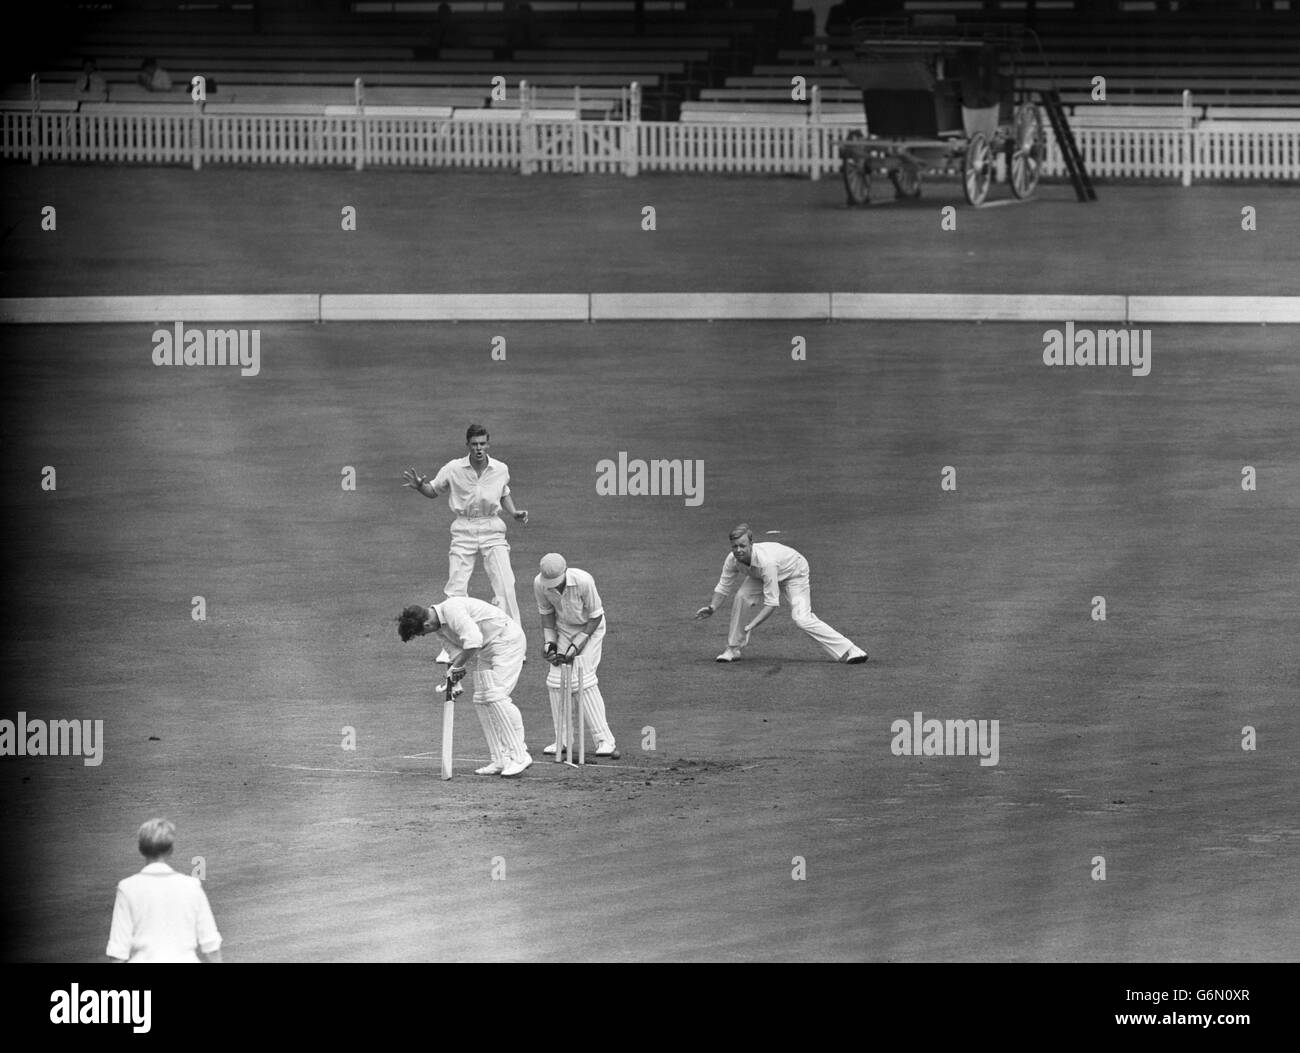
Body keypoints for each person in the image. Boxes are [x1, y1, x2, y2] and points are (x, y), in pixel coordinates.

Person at [403, 424, 529, 663]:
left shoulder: (500, 468)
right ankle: (450, 645)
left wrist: (513, 513)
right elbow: (434, 490)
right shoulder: (453, 468)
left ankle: (515, 644)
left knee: (506, 585)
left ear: (488, 444)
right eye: (474, 444)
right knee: (456, 587)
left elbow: (504, 492)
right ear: (468, 445)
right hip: (464, 528)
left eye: (482, 444)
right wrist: (420, 486)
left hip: (492, 527)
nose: (479, 448)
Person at [695, 524, 869, 664]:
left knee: (802, 619)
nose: (738, 550)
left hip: (794, 573)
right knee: (741, 596)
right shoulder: (732, 560)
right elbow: (723, 586)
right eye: (735, 546)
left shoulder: (766, 562)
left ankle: (851, 650)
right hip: (761, 575)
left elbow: (771, 604)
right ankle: (732, 649)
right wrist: (712, 607)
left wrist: (750, 626)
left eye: (743, 546)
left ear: (751, 544)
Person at [398, 596, 532, 777]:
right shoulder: (439, 629)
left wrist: (457, 667)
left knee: (496, 696)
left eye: (421, 634)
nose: (424, 636)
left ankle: (520, 755)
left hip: (507, 641)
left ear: (427, 625)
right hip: (486, 649)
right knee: (481, 699)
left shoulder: (452, 609)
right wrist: (454, 680)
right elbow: (457, 655)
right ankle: (500, 759)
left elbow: (474, 640)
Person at [534, 553, 618, 758]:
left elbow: (596, 616)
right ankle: (562, 739)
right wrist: (549, 644)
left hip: (591, 628)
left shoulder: (583, 580)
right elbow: (546, 614)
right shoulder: (539, 583)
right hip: (563, 629)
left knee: (584, 679)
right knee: (555, 681)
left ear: (565, 571)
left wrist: (577, 645)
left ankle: (604, 740)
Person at [105, 818, 223, 963]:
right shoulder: (192, 885)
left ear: (141, 849)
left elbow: (118, 952)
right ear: (170, 850)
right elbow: (211, 943)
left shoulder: (127, 888)